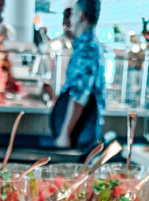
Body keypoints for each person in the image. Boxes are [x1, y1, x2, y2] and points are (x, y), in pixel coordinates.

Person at [46, 0, 105, 148]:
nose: (69, 19)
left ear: (81, 16)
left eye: (72, 14)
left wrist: (65, 133)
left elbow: (80, 96)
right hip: (81, 132)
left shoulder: (87, 48)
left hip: (78, 135)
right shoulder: (90, 45)